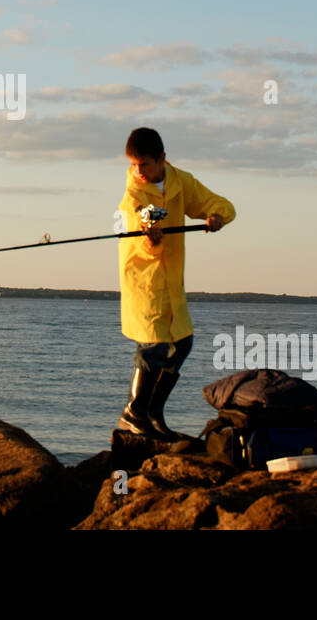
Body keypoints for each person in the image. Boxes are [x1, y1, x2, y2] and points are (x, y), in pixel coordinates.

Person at [115, 126, 235, 439]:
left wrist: (216, 216)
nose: (138, 171)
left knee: (182, 343)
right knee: (152, 345)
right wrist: (150, 239)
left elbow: (217, 203)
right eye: (133, 164)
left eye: (145, 164)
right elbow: (140, 229)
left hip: (172, 282)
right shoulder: (133, 196)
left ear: (162, 159)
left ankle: (153, 413)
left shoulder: (182, 181)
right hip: (144, 281)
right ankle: (132, 413)